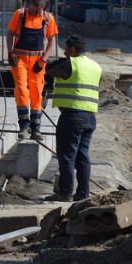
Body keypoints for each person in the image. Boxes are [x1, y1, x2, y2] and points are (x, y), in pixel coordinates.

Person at [44, 35, 102, 202]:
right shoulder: (95, 66)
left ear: (73, 50)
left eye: (66, 48)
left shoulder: (70, 63)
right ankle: (83, 193)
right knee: (82, 156)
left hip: (72, 117)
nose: (64, 51)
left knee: (67, 156)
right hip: (90, 117)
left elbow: (48, 70)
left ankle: (65, 193)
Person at [6, 0, 58, 141]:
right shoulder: (20, 14)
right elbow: (10, 34)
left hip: (37, 62)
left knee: (36, 93)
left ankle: (36, 128)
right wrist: (10, 53)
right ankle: (24, 126)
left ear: (43, 7)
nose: (35, 13)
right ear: (29, 5)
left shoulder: (48, 18)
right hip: (20, 60)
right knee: (21, 90)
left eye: (38, 10)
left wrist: (43, 60)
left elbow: (51, 41)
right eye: (33, 10)